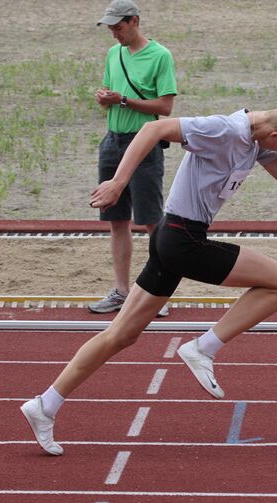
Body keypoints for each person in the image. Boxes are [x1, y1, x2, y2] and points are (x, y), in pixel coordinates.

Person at [20, 105, 277, 455]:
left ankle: (44, 405)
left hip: (173, 237)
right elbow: (153, 130)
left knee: (120, 335)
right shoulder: (222, 130)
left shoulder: (258, 142)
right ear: (275, 134)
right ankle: (203, 348)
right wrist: (118, 182)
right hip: (183, 239)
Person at [90, 0, 177, 317]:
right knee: (116, 221)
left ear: (135, 21)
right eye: (111, 28)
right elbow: (109, 95)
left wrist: (123, 100)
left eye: (118, 27)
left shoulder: (160, 56)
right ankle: (122, 291)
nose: (114, 34)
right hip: (112, 143)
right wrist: (105, 98)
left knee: (152, 221)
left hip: (144, 145)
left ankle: (157, 293)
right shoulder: (114, 54)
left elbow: (165, 108)